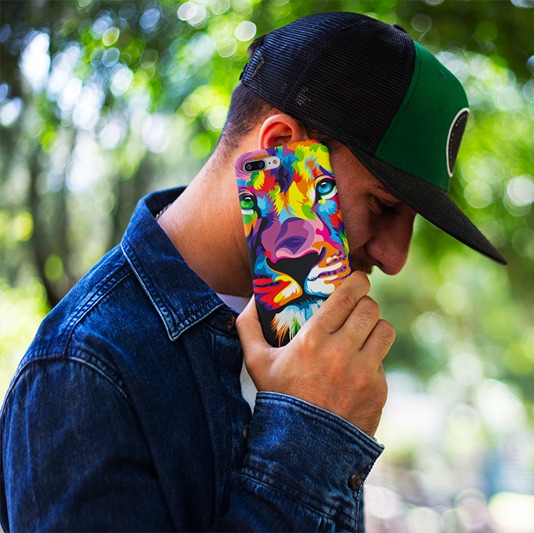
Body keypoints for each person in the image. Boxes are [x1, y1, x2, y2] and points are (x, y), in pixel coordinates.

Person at [0, 11, 505, 531]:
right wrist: (310, 432)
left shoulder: (303, 336)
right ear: (281, 148)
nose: (395, 258)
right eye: (382, 205)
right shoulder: (82, 369)